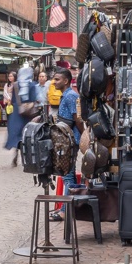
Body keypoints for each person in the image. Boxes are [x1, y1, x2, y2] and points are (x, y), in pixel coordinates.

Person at [50, 69, 85, 221]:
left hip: (69, 142)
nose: (54, 82)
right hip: (66, 141)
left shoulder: (71, 96)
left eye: (57, 79)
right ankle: (67, 209)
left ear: (65, 81)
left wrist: (84, 136)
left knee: (68, 175)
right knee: (67, 174)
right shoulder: (66, 96)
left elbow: (77, 119)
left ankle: (66, 210)